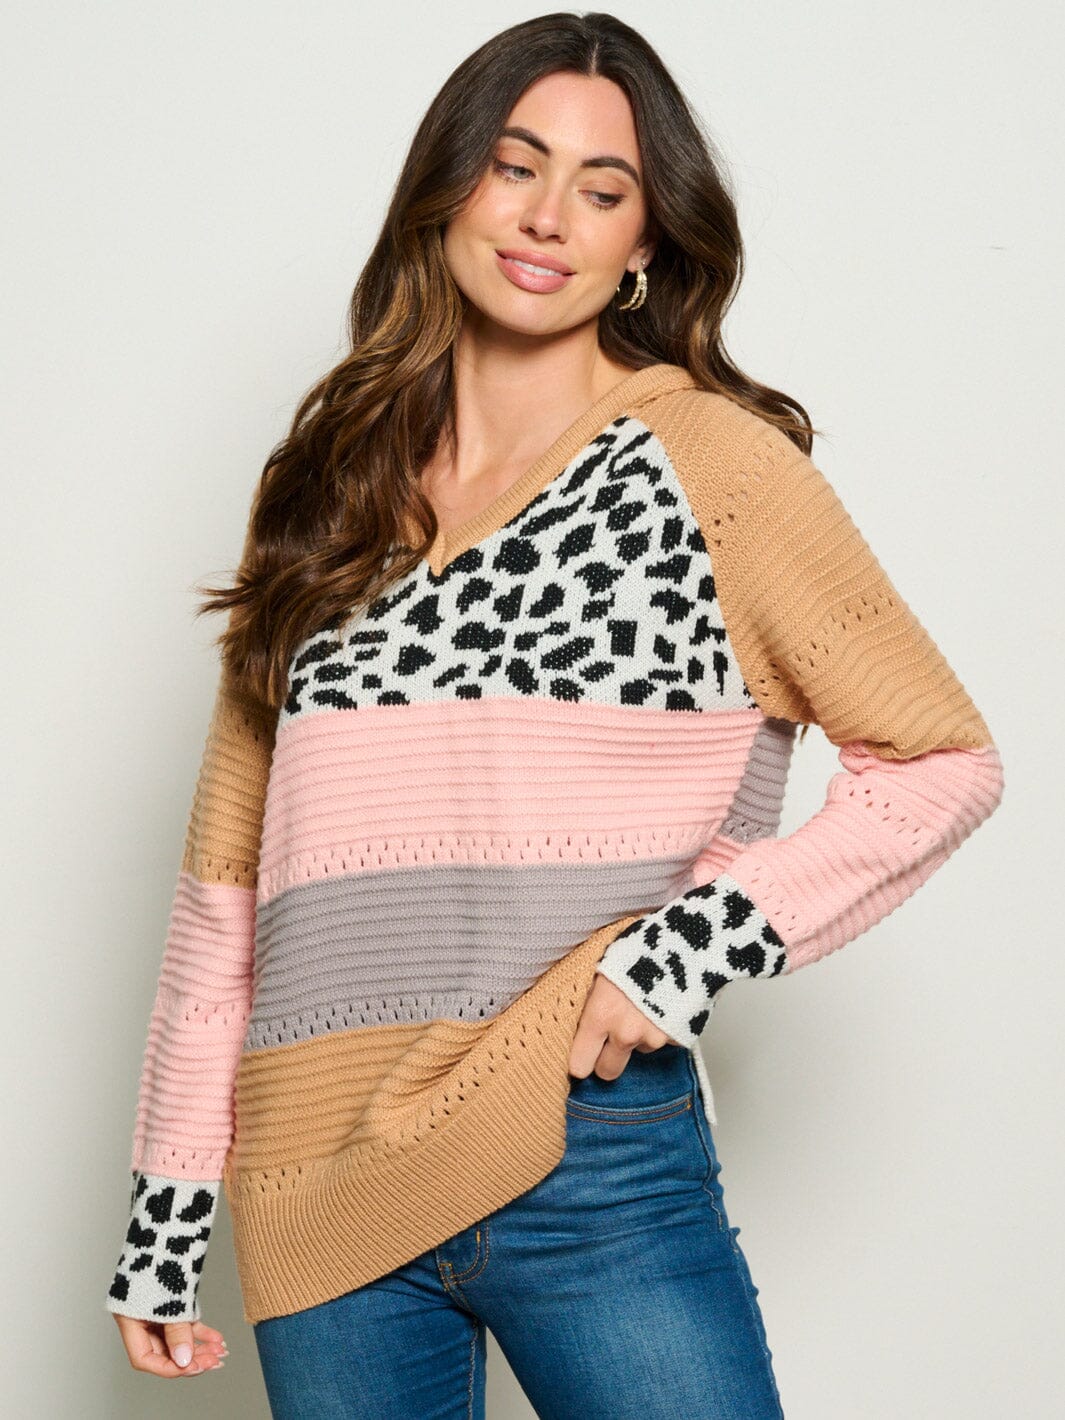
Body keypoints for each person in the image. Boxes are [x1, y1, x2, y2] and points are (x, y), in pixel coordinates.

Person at [104, 12, 1004, 1418]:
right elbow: (226, 886)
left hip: (584, 1155)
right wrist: (168, 1214)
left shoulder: (710, 465)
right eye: (515, 167)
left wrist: (678, 956)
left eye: (601, 189)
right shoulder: (328, 484)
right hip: (314, 1185)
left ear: (645, 240)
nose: (546, 218)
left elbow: (939, 762)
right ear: (447, 190)